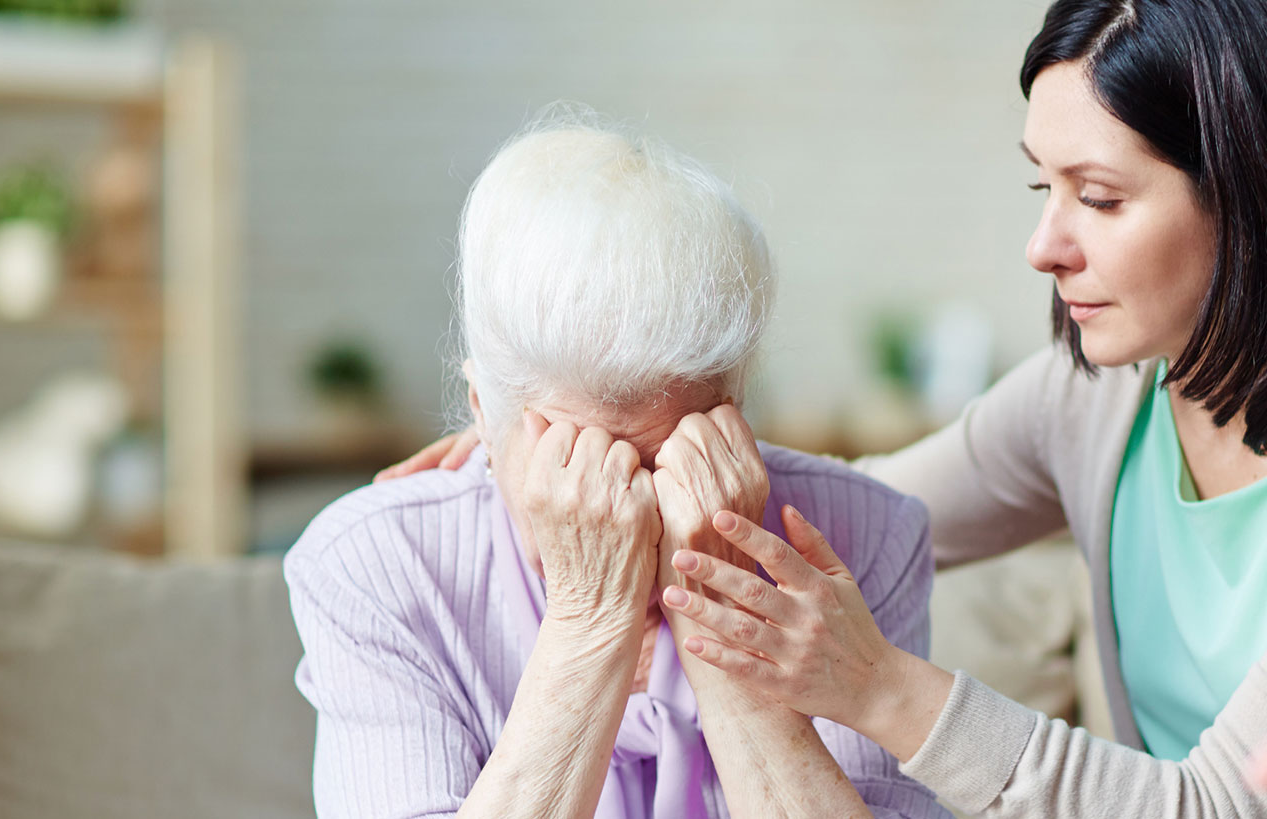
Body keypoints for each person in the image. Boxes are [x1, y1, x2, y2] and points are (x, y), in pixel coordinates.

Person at [381, 1, 1267, 816]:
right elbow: (845, 513)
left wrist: (874, 687)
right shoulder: (1100, 396)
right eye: (1039, 184)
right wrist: (566, 459)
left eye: (1096, 197)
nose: (1041, 244)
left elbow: (1224, 807)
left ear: (1259, 202)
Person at [287, 114, 949, 818]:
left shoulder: (868, 538)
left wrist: (719, 625)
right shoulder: (373, 564)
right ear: (482, 410)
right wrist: (588, 619)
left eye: (665, 462)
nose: (625, 512)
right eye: (577, 461)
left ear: (736, 407)